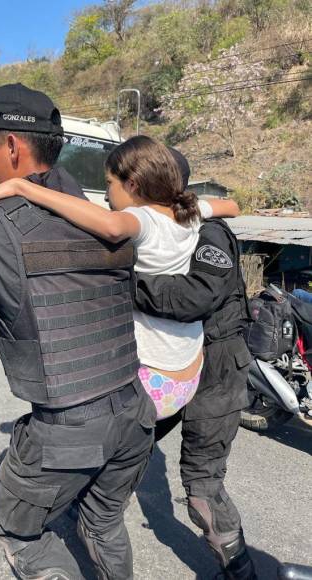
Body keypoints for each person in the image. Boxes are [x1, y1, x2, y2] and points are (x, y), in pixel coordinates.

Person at [0, 83, 156, 580]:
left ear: (12, 146)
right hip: (136, 413)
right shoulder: (107, 215)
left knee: (21, 530)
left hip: (70, 428)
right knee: (103, 522)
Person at [0, 136, 240, 423]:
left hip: (154, 380)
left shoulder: (143, 219)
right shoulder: (189, 212)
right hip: (188, 373)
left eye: (109, 183)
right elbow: (232, 206)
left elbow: (111, 227)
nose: (107, 195)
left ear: (132, 184)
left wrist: (24, 187)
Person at [133, 153, 256, 579]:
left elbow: (194, 298)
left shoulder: (209, 234)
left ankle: (241, 573)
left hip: (217, 366)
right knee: (125, 439)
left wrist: (124, 285)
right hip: (173, 364)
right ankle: (90, 517)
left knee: (202, 487)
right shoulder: (160, 227)